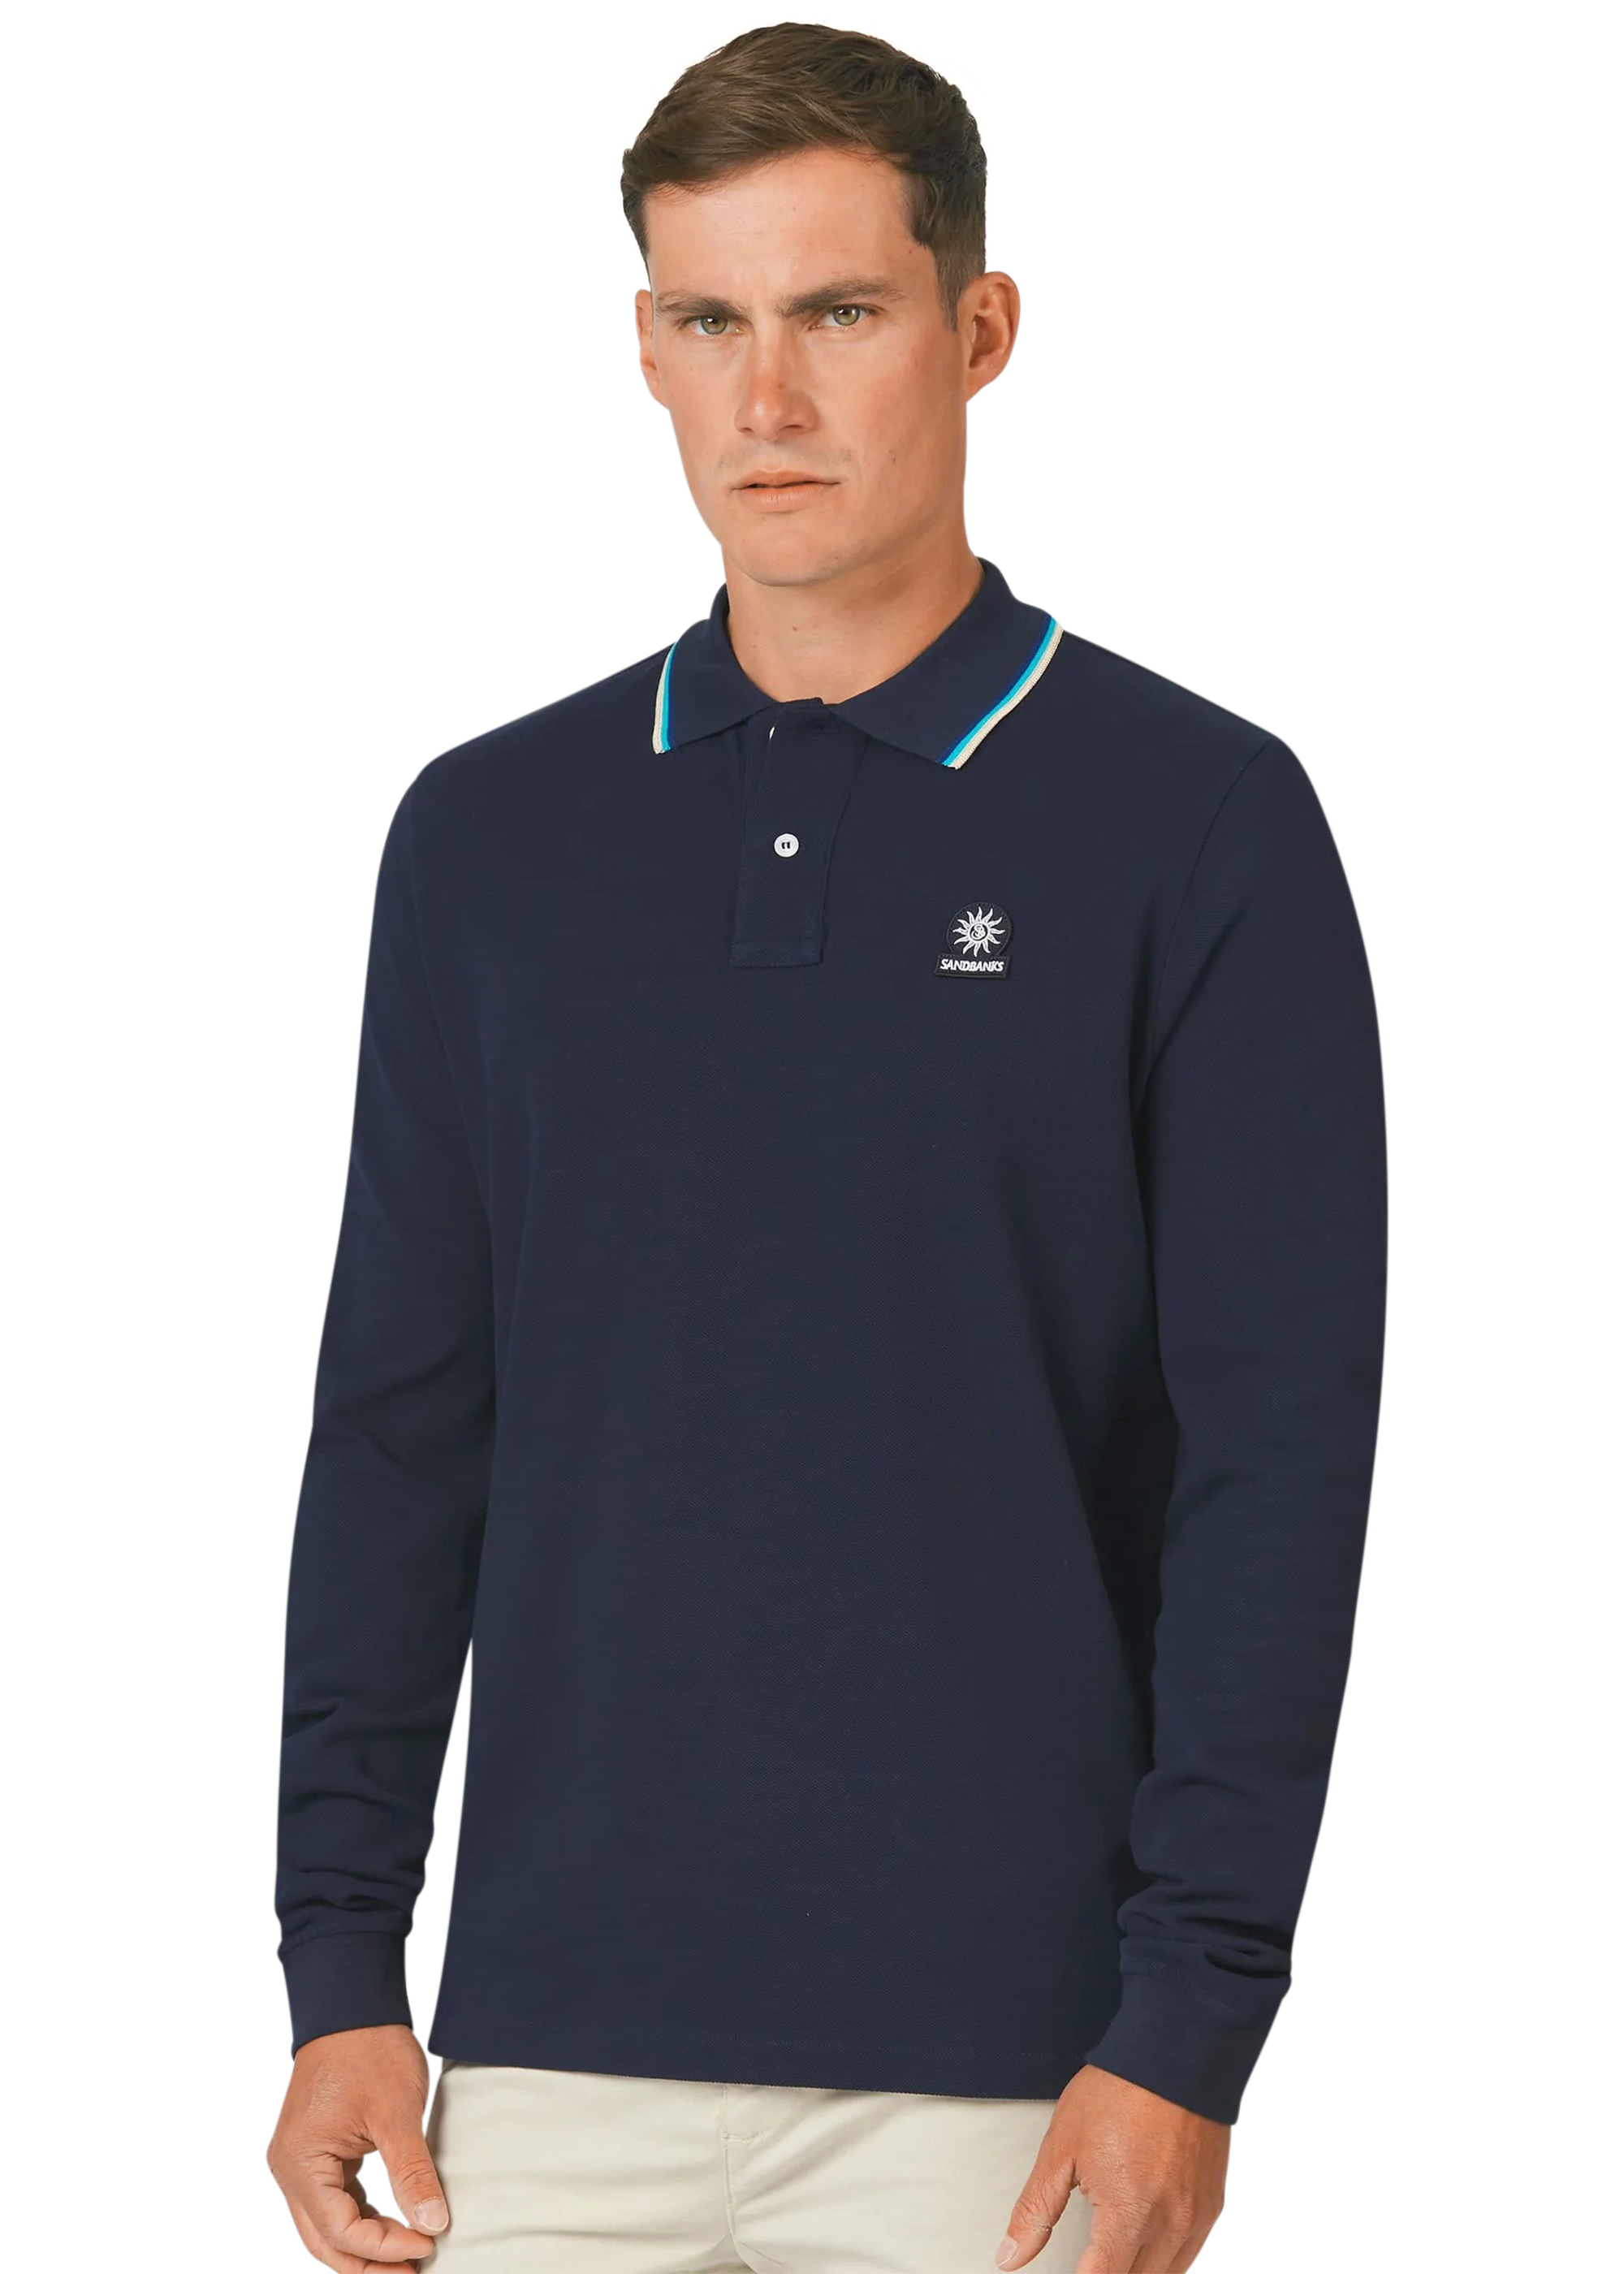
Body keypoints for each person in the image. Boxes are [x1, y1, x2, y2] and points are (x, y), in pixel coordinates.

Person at [266, 21, 1389, 2273]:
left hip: (1014, 2081)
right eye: (710, 321)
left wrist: (1194, 2024)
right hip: (542, 2072)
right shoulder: (487, 834)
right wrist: (341, 1968)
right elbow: (400, 1429)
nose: (766, 398)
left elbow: (1281, 1462)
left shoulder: (1200, 819)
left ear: (981, 327)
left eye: (839, 311)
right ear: (647, 352)